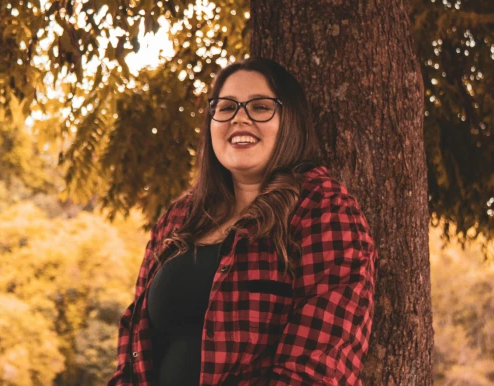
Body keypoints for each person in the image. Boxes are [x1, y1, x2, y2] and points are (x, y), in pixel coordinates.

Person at [107, 57, 377, 385]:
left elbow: (319, 369)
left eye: (260, 107)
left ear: (290, 120)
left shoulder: (323, 209)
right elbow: (133, 350)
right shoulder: (179, 218)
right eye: (226, 107)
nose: (239, 118)